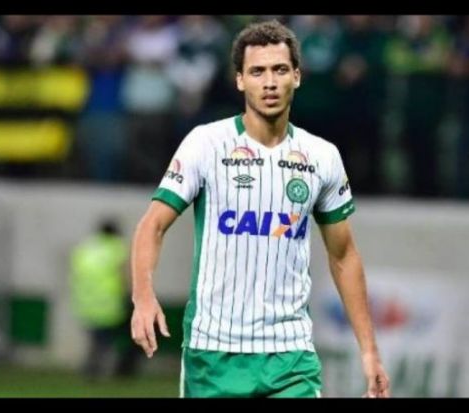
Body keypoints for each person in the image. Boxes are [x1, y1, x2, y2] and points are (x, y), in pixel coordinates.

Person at [130, 19, 390, 398]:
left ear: (297, 77)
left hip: (290, 356)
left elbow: (344, 255)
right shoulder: (206, 144)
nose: (269, 82)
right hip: (213, 354)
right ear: (240, 80)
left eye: (280, 70)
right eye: (257, 72)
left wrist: (369, 351)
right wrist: (143, 296)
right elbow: (152, 224)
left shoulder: (322, 157)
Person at [70, 218, 139, 380]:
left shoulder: (85, 248)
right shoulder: (117, 247)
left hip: (85, 302)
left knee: (98, 338)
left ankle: (93, 367)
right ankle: (110, 369)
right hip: (110, 303)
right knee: (115, 338)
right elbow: (124, 274)